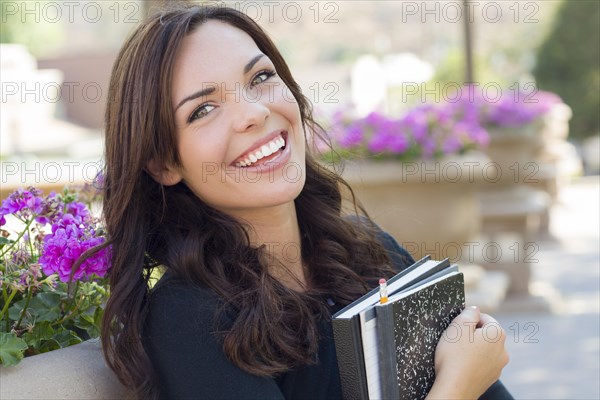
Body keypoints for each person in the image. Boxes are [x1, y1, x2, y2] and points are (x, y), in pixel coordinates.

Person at [94, 4, 511, 399]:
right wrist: (458, 383)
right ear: (163, 163)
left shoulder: (368, 252)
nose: (254, 112)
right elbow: (466, 378)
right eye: (204, 109)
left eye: (259, 78)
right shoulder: (189, 318)